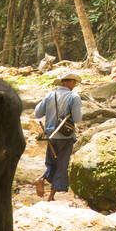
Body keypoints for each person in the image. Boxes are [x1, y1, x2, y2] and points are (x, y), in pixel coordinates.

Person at [34, 71, 82, 203]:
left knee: (51, 163)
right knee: (61, 165)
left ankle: (41, 179)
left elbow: (37, 113)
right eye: (74, 82)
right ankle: (51, 197)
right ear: (70, 82)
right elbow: (77, 119)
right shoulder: (74, 97)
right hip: (65, 137)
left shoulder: (50, 95)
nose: (74, 85)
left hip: (50, 136)